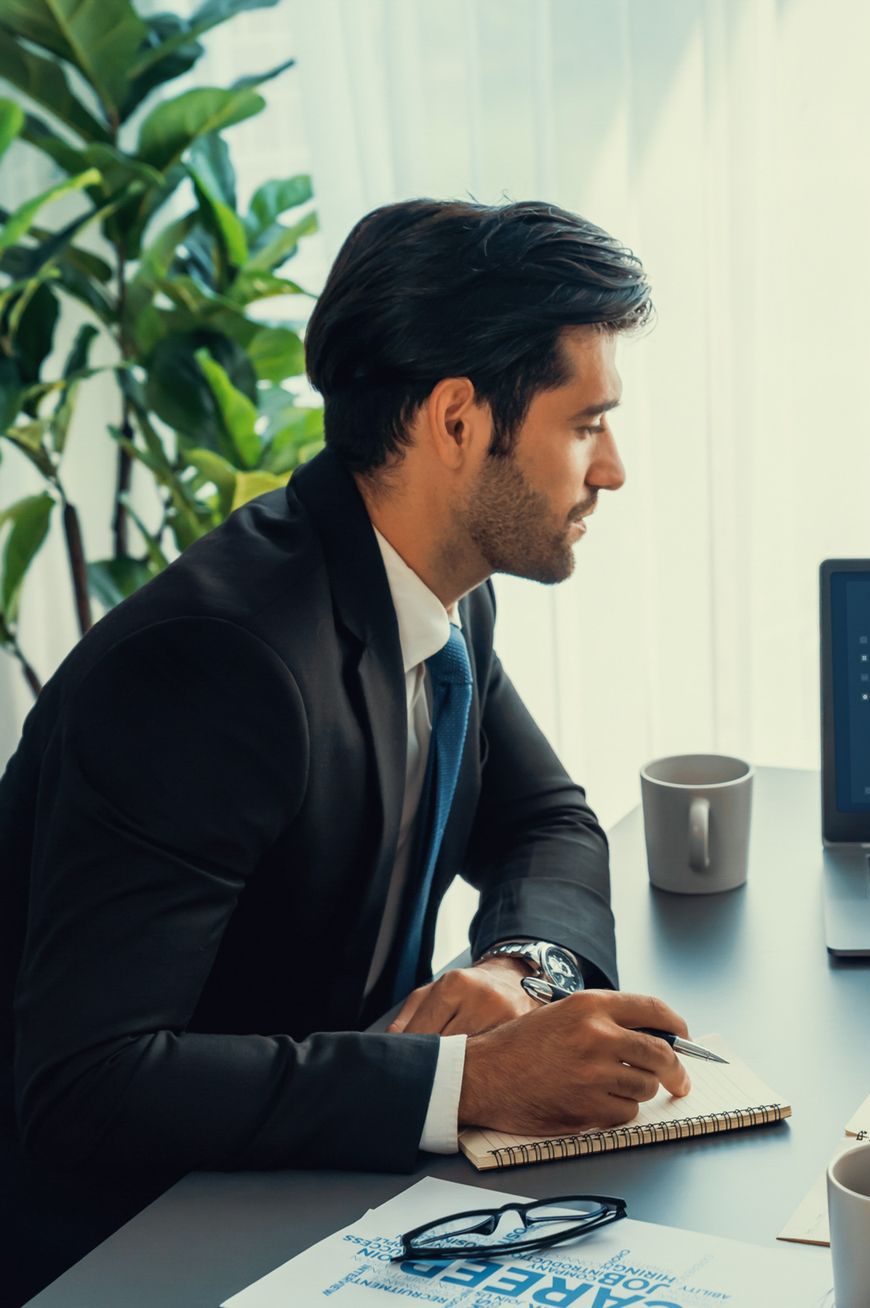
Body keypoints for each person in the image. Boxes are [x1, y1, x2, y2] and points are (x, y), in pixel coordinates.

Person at [0, 200, 695, 1301]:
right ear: (458, 420)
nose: (610, 470)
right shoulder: (217, 667)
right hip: (136, 1241)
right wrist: (459, 1081)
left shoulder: (435, 592)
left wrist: (524, 970)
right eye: (585, 423)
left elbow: (546, 821)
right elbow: (88, 1085)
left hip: (315, 1191)